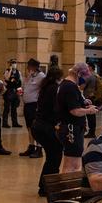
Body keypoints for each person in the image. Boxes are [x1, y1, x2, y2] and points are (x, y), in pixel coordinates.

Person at [58, 62, 99, 172]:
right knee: (72, 163)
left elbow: (72, 103)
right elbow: (74, 111)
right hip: (71, 129)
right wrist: (89, 111)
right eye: (84, 77)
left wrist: (83, 102)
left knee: (74, 161)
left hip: (73, 128)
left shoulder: (67, 85)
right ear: (78, 74)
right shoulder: (70, 87)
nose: (84, 80)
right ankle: (69, 187)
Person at [34, 65, 65, 195]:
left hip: (38, 126)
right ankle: (48, 187)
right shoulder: (54, 89)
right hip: (46, 127)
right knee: (55, 156)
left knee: (52, 156)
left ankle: (45, 185)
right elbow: (56, 108)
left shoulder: (45, 87)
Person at [20, 58, 46, 136]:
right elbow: (25, 87)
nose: (27, 68)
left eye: (29, 66)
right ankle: (31, 145)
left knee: (35, 126)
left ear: (34, 67)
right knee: (29, 126)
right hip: (27, 105)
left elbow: (44, 90)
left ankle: (38, 145)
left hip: (34, 105)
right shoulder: (30, 75)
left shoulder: (41, 76)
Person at [1, 58, 23, 128]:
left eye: (15, 63)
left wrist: (20, 92)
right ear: (10, 64)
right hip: (8, 91)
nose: (14, 64)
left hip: (15, 91)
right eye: (13, 63)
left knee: (14, 108)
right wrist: (10, 70)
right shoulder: (7, 71)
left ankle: (15, 123)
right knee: (7, 108)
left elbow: (20, 83)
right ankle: (5, 123)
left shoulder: (18, 72)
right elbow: (7, 78)